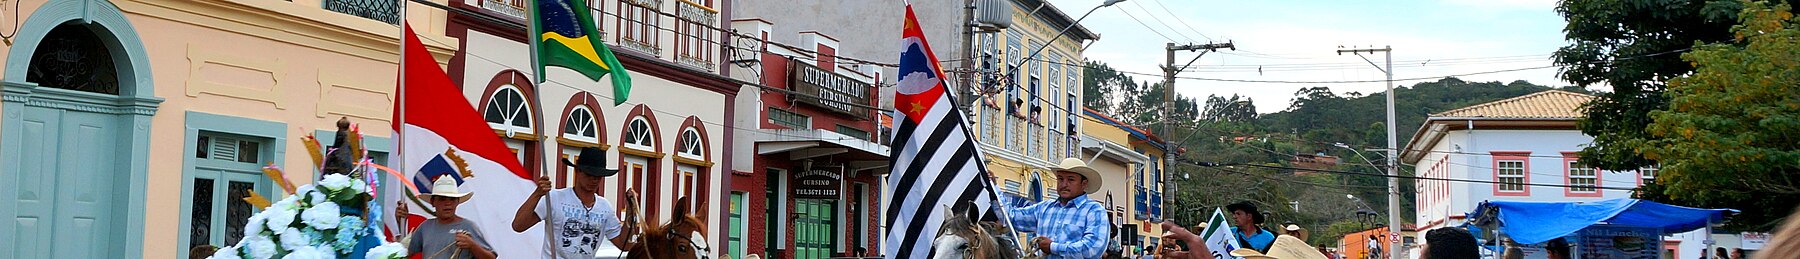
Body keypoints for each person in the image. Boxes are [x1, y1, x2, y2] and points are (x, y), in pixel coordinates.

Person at [512, 147, 638, 259]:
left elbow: (624, 244)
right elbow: (518, 225)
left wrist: (630, 211)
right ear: (578, 171)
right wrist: (537, 194)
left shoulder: (604, 207)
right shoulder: (555, 198)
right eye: (589, 174)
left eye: (598, 176)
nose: (593, 180)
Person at [1007, 158, 1112, 258]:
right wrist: (993, 188)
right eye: (1060, 179)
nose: (1064, 184)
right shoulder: (1044, 208)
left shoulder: (1094, 211)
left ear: (1084, 184)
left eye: (1071, 180)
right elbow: (1010, 217)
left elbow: (1092, 249)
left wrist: (1052, 247)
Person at [399, 176, 497, 259]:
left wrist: (472, 245)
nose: (448, 203)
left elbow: (491, 257)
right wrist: (400, 222)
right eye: (442, 199)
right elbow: (404, 252)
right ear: (433, 202)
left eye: (452, 199)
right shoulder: (425, 227)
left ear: (457, 202)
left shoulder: (468, 226)